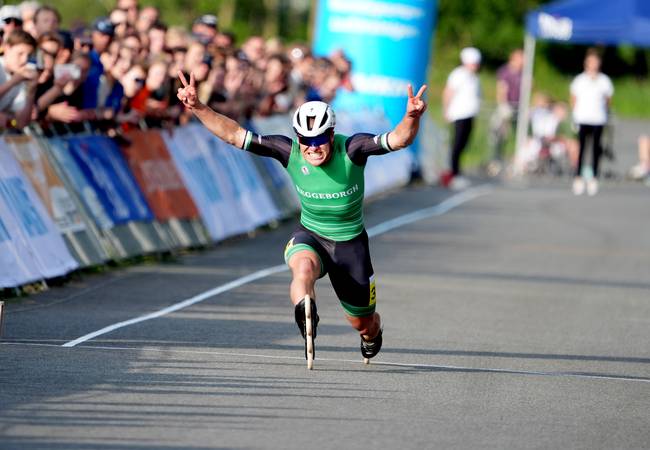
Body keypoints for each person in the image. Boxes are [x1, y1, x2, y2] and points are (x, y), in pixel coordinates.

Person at [176, 70, 427, 361]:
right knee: (302, 269)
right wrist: (197, 107)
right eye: (306, 139)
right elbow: (233, 135)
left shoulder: (353, 148)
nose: (313, 147)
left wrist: (412, 117)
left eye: (320, 138)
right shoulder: (289, 150)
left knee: (362, 323)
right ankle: (304, 310)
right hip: (312, 234)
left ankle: (372, 330)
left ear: (332, 135)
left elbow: (398, 140)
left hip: (350, 245)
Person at [570, 49, 613, 196]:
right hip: (582, 118)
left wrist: (605, 114)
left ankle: (594, 177)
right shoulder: (579, 80)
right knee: (581, 148)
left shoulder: (604, 81)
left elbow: (608, 100)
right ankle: (578, 176)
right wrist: (574, 116)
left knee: (596, 149)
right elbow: (574, 99)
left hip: (598, 118)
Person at [441, 47, 481, 190]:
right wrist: (446, 111)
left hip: (469, 115)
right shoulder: (458, 74)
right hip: (459, 115)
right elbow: (448, 92)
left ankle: (457, 172)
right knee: (456, 145)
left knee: (463, 144)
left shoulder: (474, 77)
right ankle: (453, 174)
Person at [488, 48, 523, 174]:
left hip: (519, 108)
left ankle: (515, 161)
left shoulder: (523, 73)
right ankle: (496, 161)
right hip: (507, 107)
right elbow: (502, 89)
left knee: (519, 135)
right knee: (500, 134)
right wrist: (503, 105)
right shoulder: (505, 72)